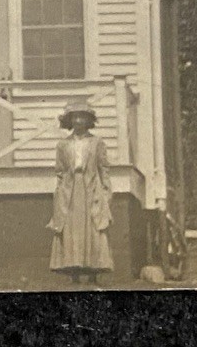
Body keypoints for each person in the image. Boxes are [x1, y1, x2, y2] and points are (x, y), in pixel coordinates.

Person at [49, 97, 114, 284]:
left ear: (88, 120)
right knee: (72, 229)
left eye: (82, 117)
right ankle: (74, 273)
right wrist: (59, 193)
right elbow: (60, 171)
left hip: (91, 188)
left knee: (93, 226)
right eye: (75, 117)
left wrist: (106, 192)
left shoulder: (97, 143)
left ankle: (93, 273)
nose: (78, 121)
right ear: (69, 121)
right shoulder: (63, 145)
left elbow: (104, 169)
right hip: (70, 190)